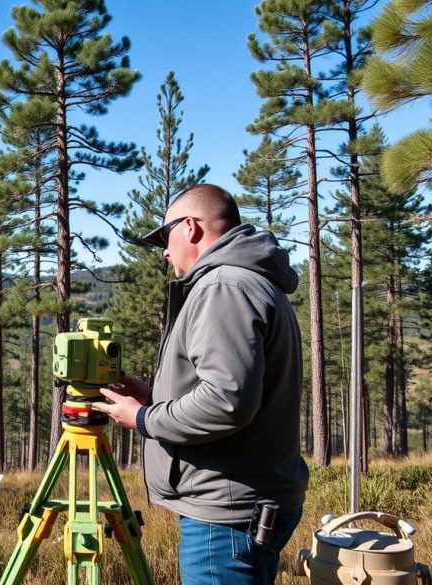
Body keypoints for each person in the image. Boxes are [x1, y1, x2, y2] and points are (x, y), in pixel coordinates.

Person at [92, 184, 309, 585]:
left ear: (190, 227)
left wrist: (144, 418)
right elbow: (235, 389)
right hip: (247, 501)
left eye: (165, 236)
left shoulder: (223, 286)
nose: (164, 250)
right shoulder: (250, 281)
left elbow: (227, 402)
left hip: (225, 512)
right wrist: (155, 398)